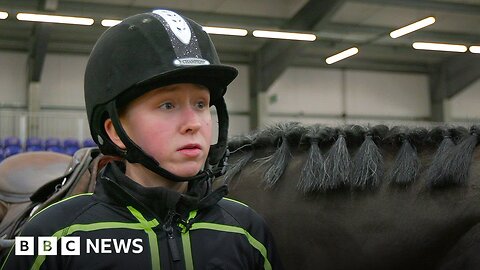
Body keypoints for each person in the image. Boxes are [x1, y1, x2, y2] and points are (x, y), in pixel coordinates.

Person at [1, 9, 283, 270]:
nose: (194, 123)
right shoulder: (51, 233)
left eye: (200, 104)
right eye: (168, 105)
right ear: (114, 131)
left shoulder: (248, 231)